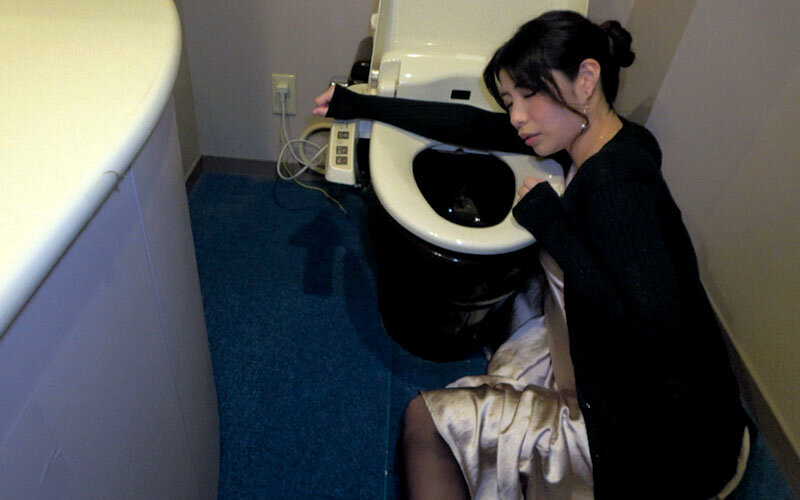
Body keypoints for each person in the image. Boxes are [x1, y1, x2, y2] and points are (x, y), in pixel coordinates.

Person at [313, 10, 750, 500]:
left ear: (586, 79)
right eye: (509, 101)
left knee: (425, 423)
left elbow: (653, 330)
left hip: (651, 441)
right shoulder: (613, 140)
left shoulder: (615, 187)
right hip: (673, 399)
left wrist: (551, 225)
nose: (516, 116)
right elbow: (472, 126)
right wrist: (358, 104)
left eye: (529, 95)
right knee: (516, 301)